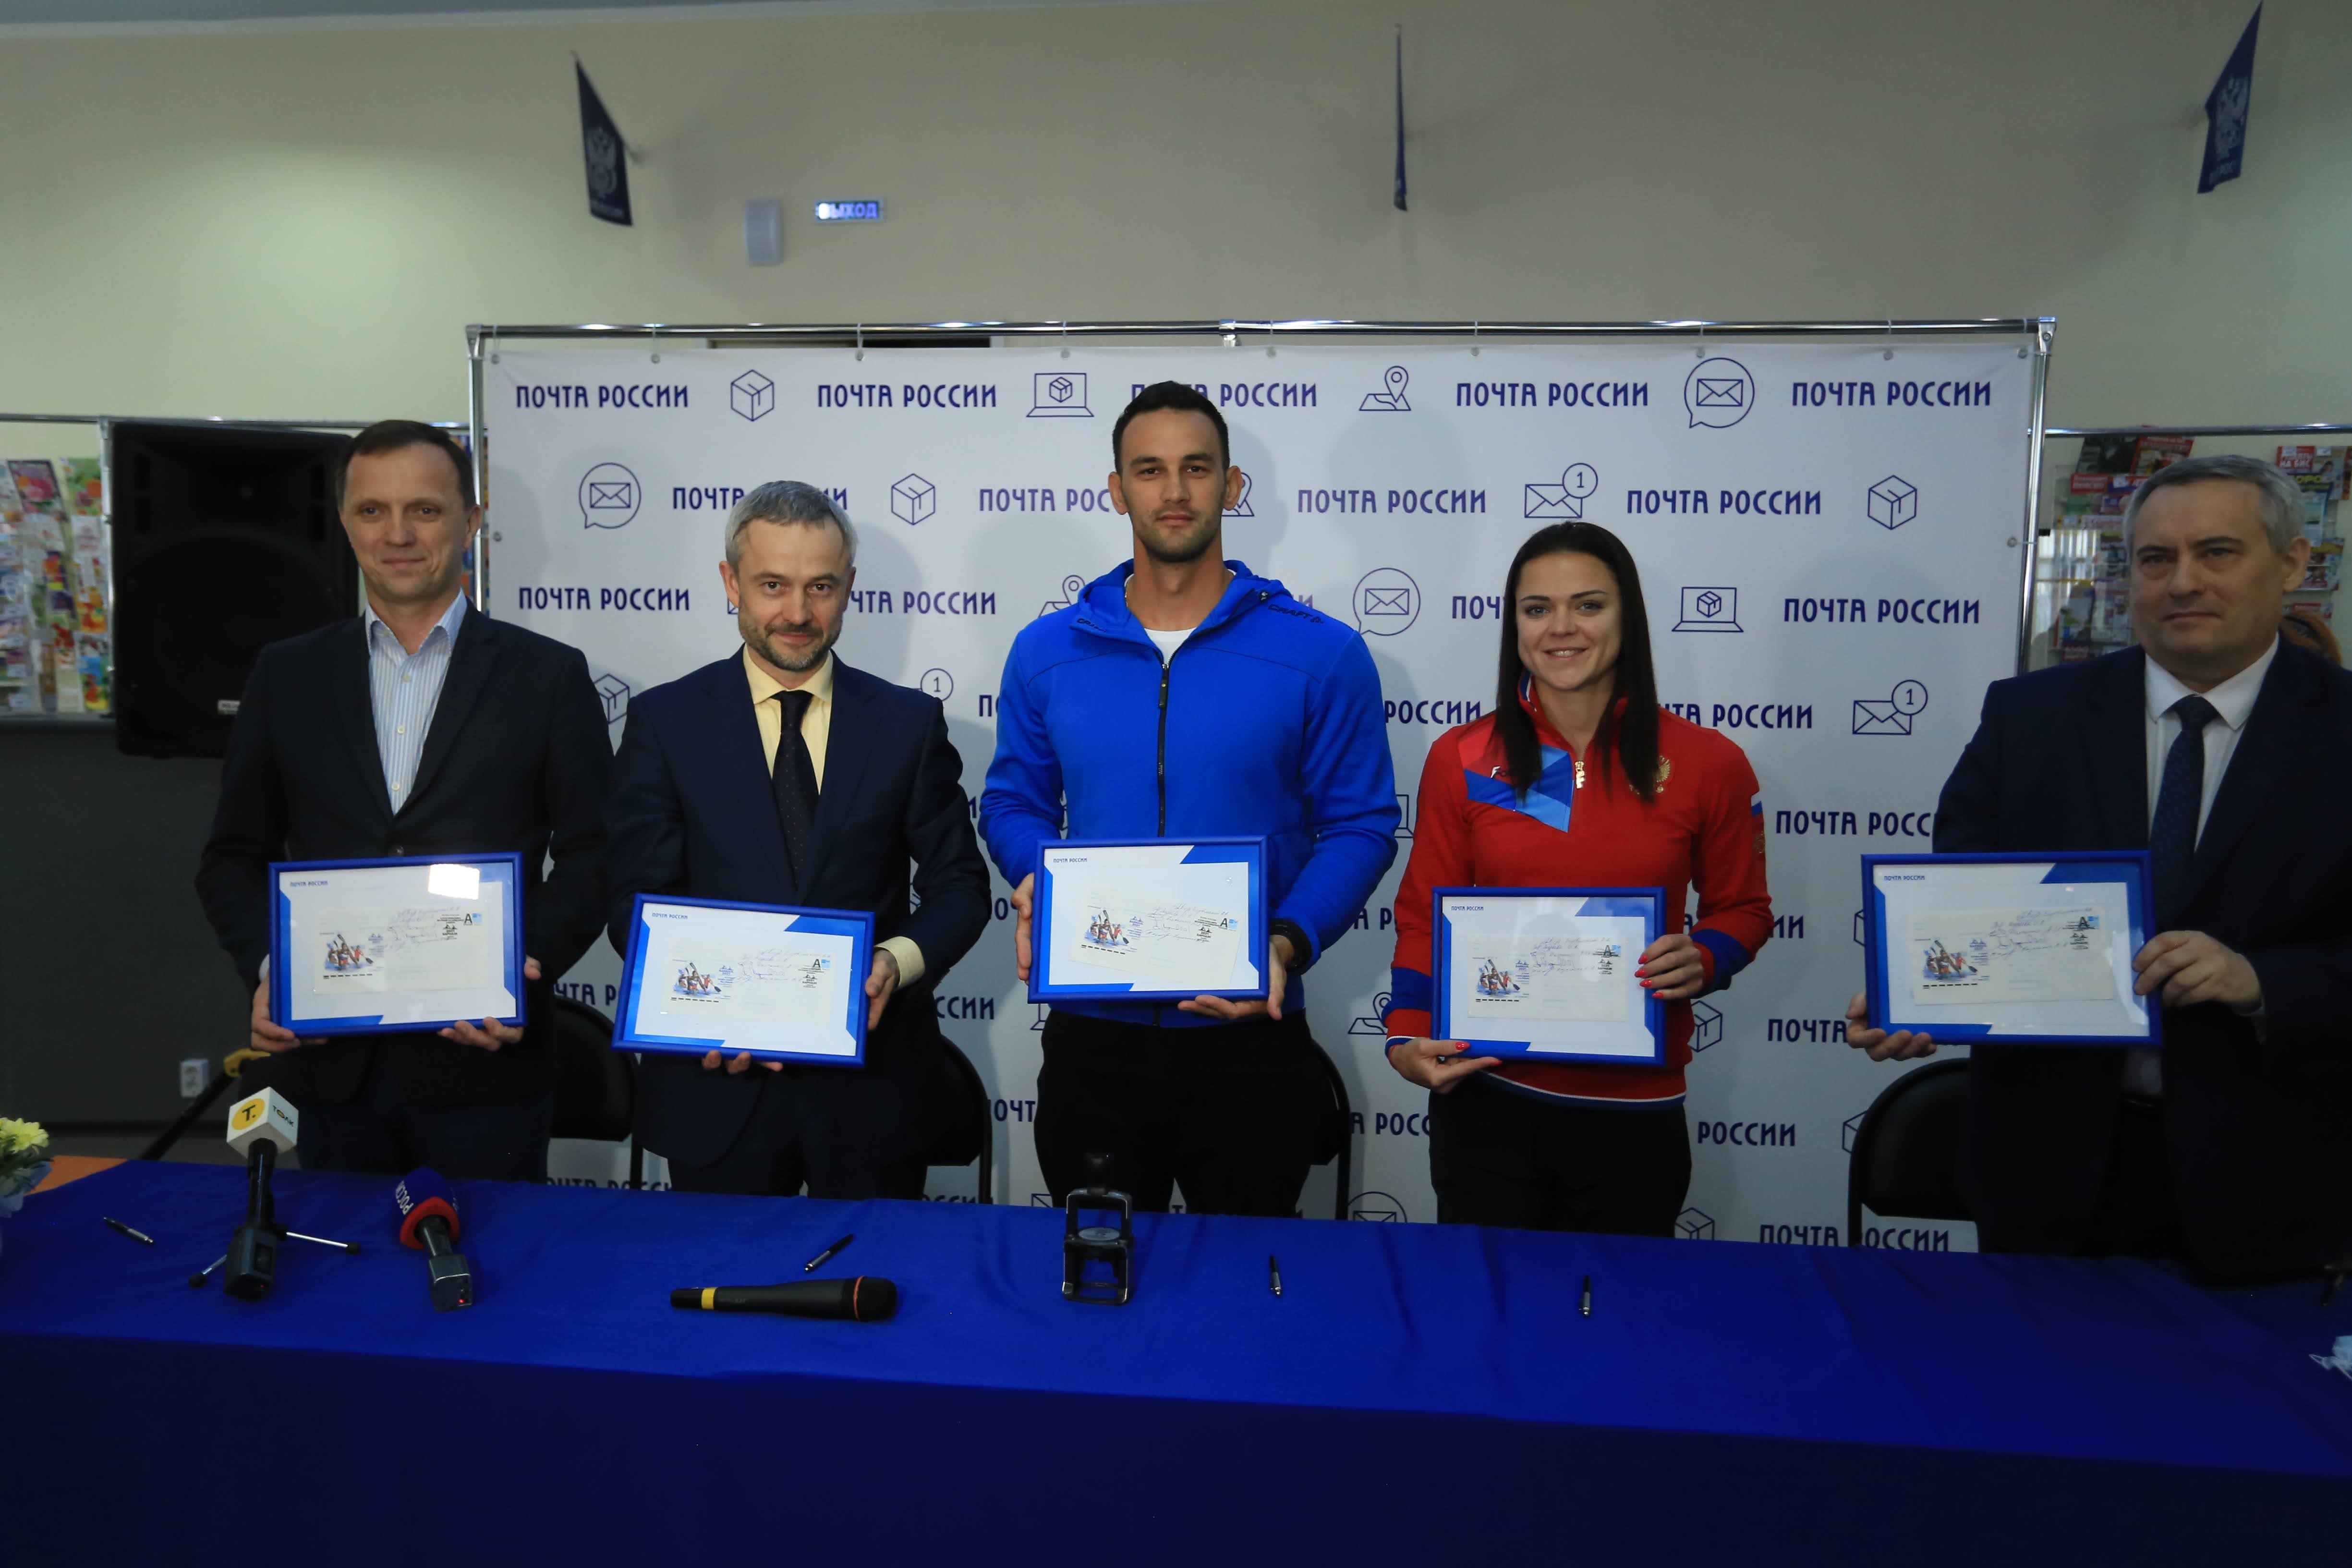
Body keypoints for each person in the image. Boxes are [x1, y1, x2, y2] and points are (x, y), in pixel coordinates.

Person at [1847, 454, 2352, 1277]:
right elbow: (1964, 899)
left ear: (2291, 562)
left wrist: (2259, 979)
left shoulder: (2341, 728)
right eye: (2155, 558)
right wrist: (1926, 988)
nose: (2181, 581)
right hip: (2047, 1174)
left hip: (2274, 1179)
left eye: (2216, 552)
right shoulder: (2028, 717)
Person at [980, 381, 1399, 1216]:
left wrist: (1285, 940)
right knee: (1099, 1275)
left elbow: (1360, 824)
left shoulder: (1322, 653)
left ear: (1232, 485)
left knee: (1244, 1279)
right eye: (1149, 470)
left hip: (1249, 1037)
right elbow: (1010, 804)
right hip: (1093, 1039)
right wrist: (1038, 880)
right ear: (1117, 489)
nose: (1173, 490)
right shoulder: (1045, 650)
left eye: (1196, 468)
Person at [195, 420, 611, 1179]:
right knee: (338, 1256)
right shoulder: (285, 676)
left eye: (424, 509)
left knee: (492, 1255)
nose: (397, 535)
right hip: (329, 1066)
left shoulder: (548, 676)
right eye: (372, 510)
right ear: (345, 522)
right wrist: (270, 968)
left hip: (486, 1066)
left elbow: (596, 852)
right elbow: (231, 856)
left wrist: (521, 966)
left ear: (470, 522)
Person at [1381, 523, 1773, 1235]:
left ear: (1627, 617)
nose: (1561, 628)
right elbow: (1421, 913)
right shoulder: (1462, 756)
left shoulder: (1709, 762)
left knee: (1621, 1303)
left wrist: (1709, 954)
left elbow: (1743, 907)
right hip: (1486, 1096)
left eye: (1588, 605)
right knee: (1488, 1299)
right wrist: (1405, 1031)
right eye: (1537, 609)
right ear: (1515, 626)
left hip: (1635, 1115)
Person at [604, 482, 989, 1198]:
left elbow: (960, 887)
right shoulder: (666, 722)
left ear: (849, 588)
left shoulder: (906, 724)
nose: (797, 613)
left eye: (820, 587)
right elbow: (634, 902)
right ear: (732, 584)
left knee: (875, 1269)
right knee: (726, 1271)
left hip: (873, 1088)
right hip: (717, 1084)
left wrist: (893, 962)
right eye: (772, 585)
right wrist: (712, 1005)